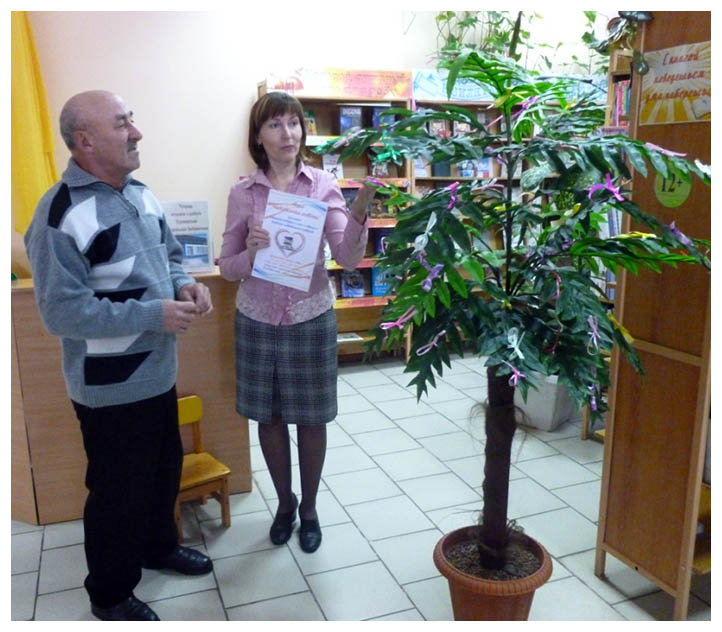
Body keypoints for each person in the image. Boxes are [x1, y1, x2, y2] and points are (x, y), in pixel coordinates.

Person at [24, 90, 214, 621]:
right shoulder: (59, 213)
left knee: (162, 473)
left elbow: (170, 258)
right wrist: (153, 314)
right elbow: (61, 313)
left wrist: (184, 285)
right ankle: (109, 594)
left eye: (132, 120)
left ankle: (158, 548)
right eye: (122, 123)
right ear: (85, 141)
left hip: (158, 374)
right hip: (108, 388)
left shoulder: (141, 194)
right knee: (117, 493)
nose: (136, 132)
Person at [219, 91, 373, 553]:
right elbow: (227, 267)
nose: (288, 134)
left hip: (309, 316)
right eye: (275, 125)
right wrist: (251, 253)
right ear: (258, 137)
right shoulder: (243, 193)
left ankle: (309, 509)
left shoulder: (323, 185)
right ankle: (283, 504)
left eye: (294, 123)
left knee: (311, 419)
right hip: (257, 318)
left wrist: (359, 211)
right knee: (268, 418)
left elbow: (347, 258)